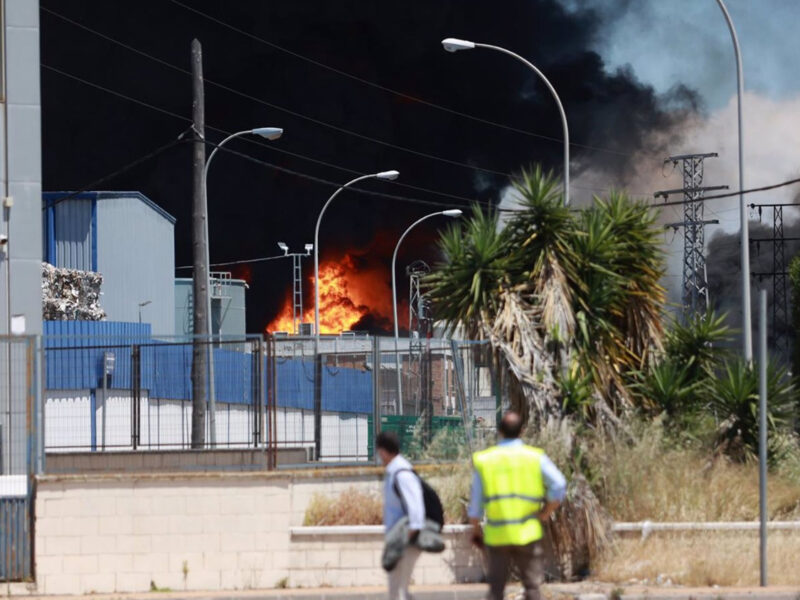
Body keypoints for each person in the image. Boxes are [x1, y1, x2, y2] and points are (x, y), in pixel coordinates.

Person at [468, 411, 567, 600]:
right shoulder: (534, 457)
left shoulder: (485, 460)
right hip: (527, 532)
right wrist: (546, 512)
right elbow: (559, 484)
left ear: (499, 431)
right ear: (522, 431)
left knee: (496, 590)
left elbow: (475, 505)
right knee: (532, 588)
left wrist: (476, 531)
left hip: (498, 535)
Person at [376, 430, 425, 600]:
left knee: (398, 591)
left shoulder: (401, 473)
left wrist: (404, 540)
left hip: (404, 541)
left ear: (382, 451)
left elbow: (416, 510)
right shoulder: (394, 471)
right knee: (397, 591)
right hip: (399, 539)